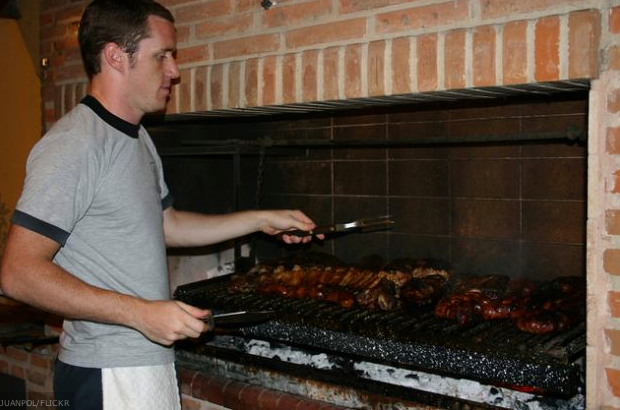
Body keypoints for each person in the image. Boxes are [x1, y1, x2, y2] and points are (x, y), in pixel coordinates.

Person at [0, 0, 320, 408]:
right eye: (162, 55)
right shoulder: (73, 145)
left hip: (144, 365)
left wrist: (260, 219)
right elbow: (18, 273)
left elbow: (169, 225)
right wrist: (141, 314)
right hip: (108, 373)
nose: (175, 71)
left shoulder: (137, 138)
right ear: (116, 56)